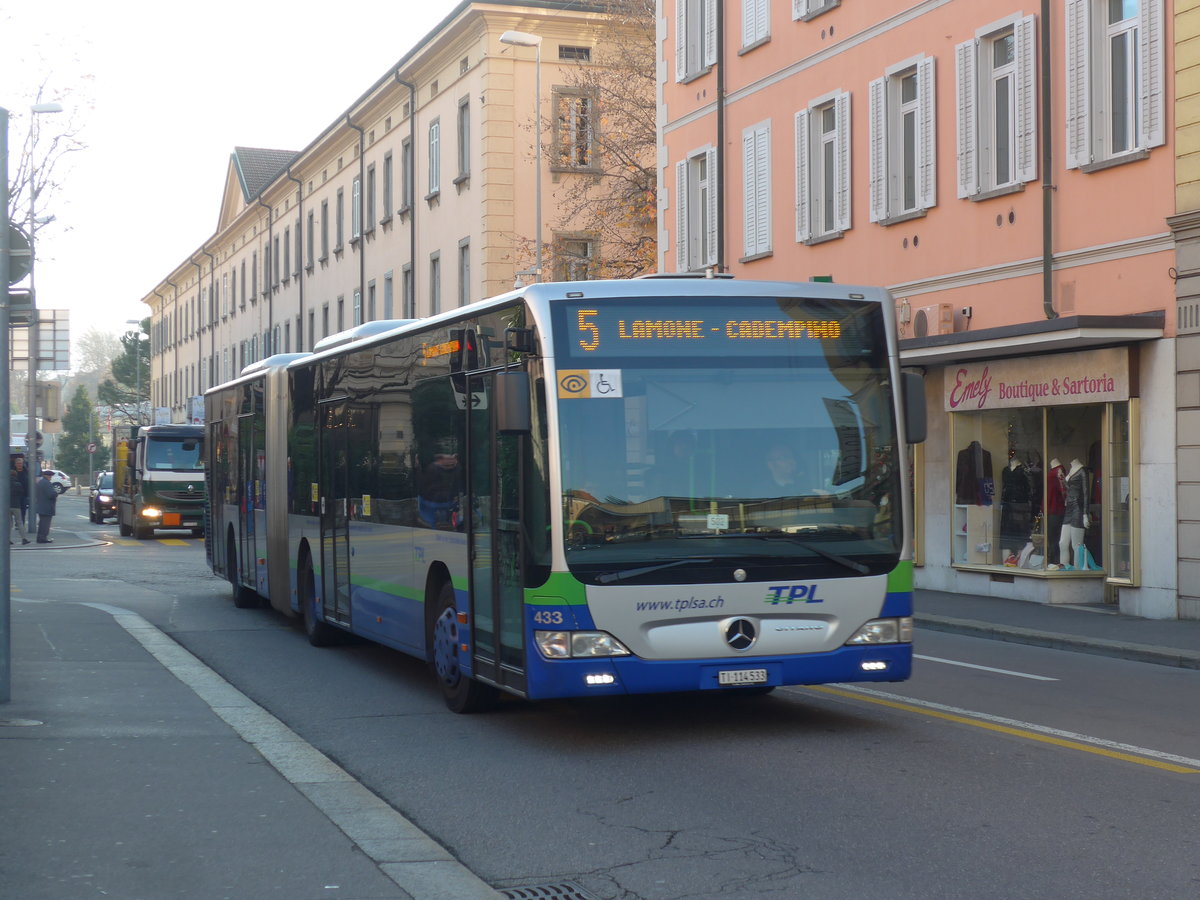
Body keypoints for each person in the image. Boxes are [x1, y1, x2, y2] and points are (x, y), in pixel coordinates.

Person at [35, 469, 58, 543]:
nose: (50, 478)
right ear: (47, 476)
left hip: (41, 506)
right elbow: (51, 494)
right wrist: (55, 493)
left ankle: (40, 537)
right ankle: (43, 538)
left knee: (42, 523)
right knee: (45, 524)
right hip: (47, 507)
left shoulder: (41, 482)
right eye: (50, 476)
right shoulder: (47, 483)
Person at [9, 469, 30, 545]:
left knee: (9, 523)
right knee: (19, 522)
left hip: (7, 506)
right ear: (15, 475)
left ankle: (8, 539)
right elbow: (21, 494)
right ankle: (24, 539)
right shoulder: (18, 484)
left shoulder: (4, 484)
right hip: (16, 505)